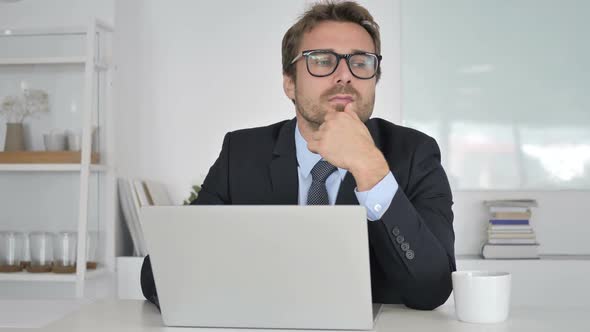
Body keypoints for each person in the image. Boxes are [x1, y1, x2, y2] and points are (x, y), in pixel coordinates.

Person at [141, 0, 455, 310]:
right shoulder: (241, 154)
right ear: (290, 84)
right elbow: (159, 276)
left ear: (374, 79)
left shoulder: (416, 154)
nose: (344, 75)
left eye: (360, 62)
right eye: (321, 60)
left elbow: (433, 288)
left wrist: (370, 168)